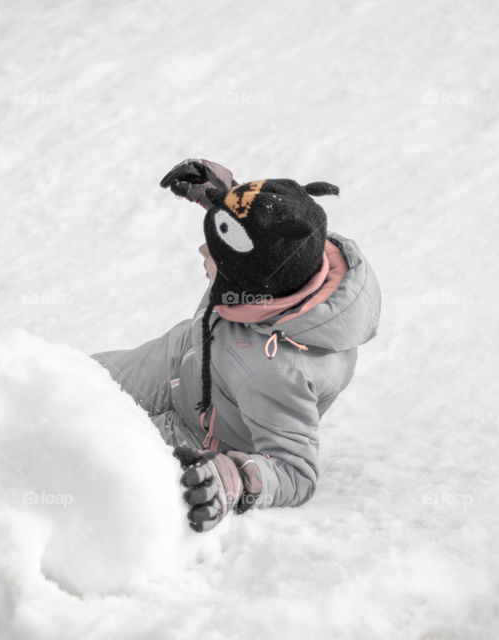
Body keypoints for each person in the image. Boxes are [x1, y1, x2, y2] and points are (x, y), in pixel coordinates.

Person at [93, 159, 381, 532]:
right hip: (177, 359)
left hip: (197, 439)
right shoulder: (294, 255)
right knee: (66, 380)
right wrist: (223, 197)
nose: (201, 250)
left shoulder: (280, 372)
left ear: (249, 286)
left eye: (214, 253)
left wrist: (236, 478)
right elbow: (266, 229)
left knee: (87, 445)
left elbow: (296, 473)